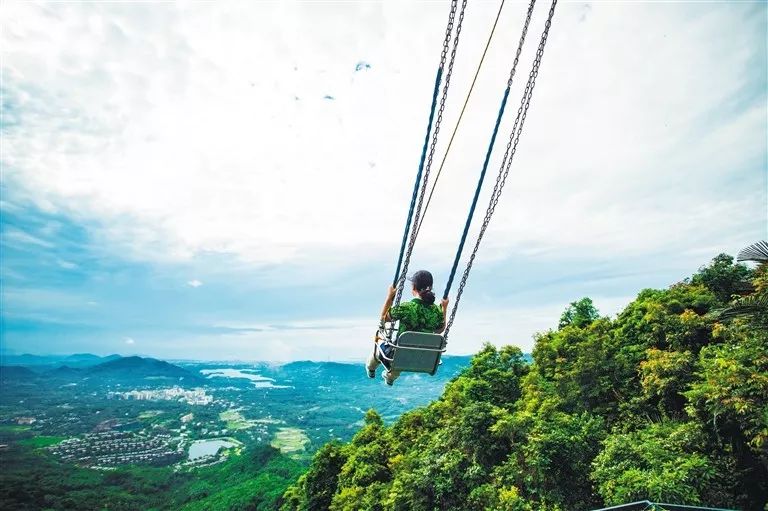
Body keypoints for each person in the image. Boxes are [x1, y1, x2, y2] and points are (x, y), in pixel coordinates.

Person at [367, 270, 449, 385]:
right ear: (430, 287)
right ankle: (390, 377)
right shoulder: (436, 311)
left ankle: (371, 369)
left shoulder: (406, 308)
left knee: (380, 349)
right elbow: (440, 329)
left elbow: (384, 318)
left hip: (399, 356)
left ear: (414, 287)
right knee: (405, 354)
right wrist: (444, 308)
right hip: (422, 358)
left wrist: (389, 297)